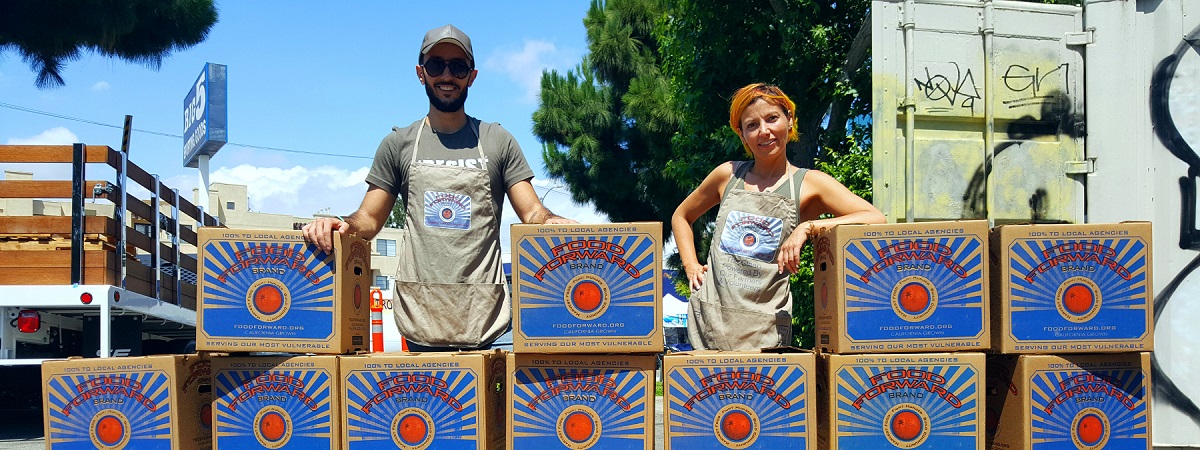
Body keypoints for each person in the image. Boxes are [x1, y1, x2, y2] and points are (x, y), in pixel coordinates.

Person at [303, 24, 574, 352]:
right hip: (421, 318)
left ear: (471, 76)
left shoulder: (497, 141)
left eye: (458, 67)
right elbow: (369, 220)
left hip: (487, 320)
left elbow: (532, 211)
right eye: (436, 65)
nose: (447, 75)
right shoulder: (398, 144)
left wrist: (550, 221)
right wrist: (342, 224)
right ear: (421, 73)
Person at [671, 83, 885, 351]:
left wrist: (808, 227)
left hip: (766, 326)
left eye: (772, 118)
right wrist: (691, 264)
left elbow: (874, 217)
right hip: (711, 319)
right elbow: (682, 215)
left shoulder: (810, 184)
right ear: (742, 135)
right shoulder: (727, 175)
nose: (764, 131)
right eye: (751, 125)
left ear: (790, 120)